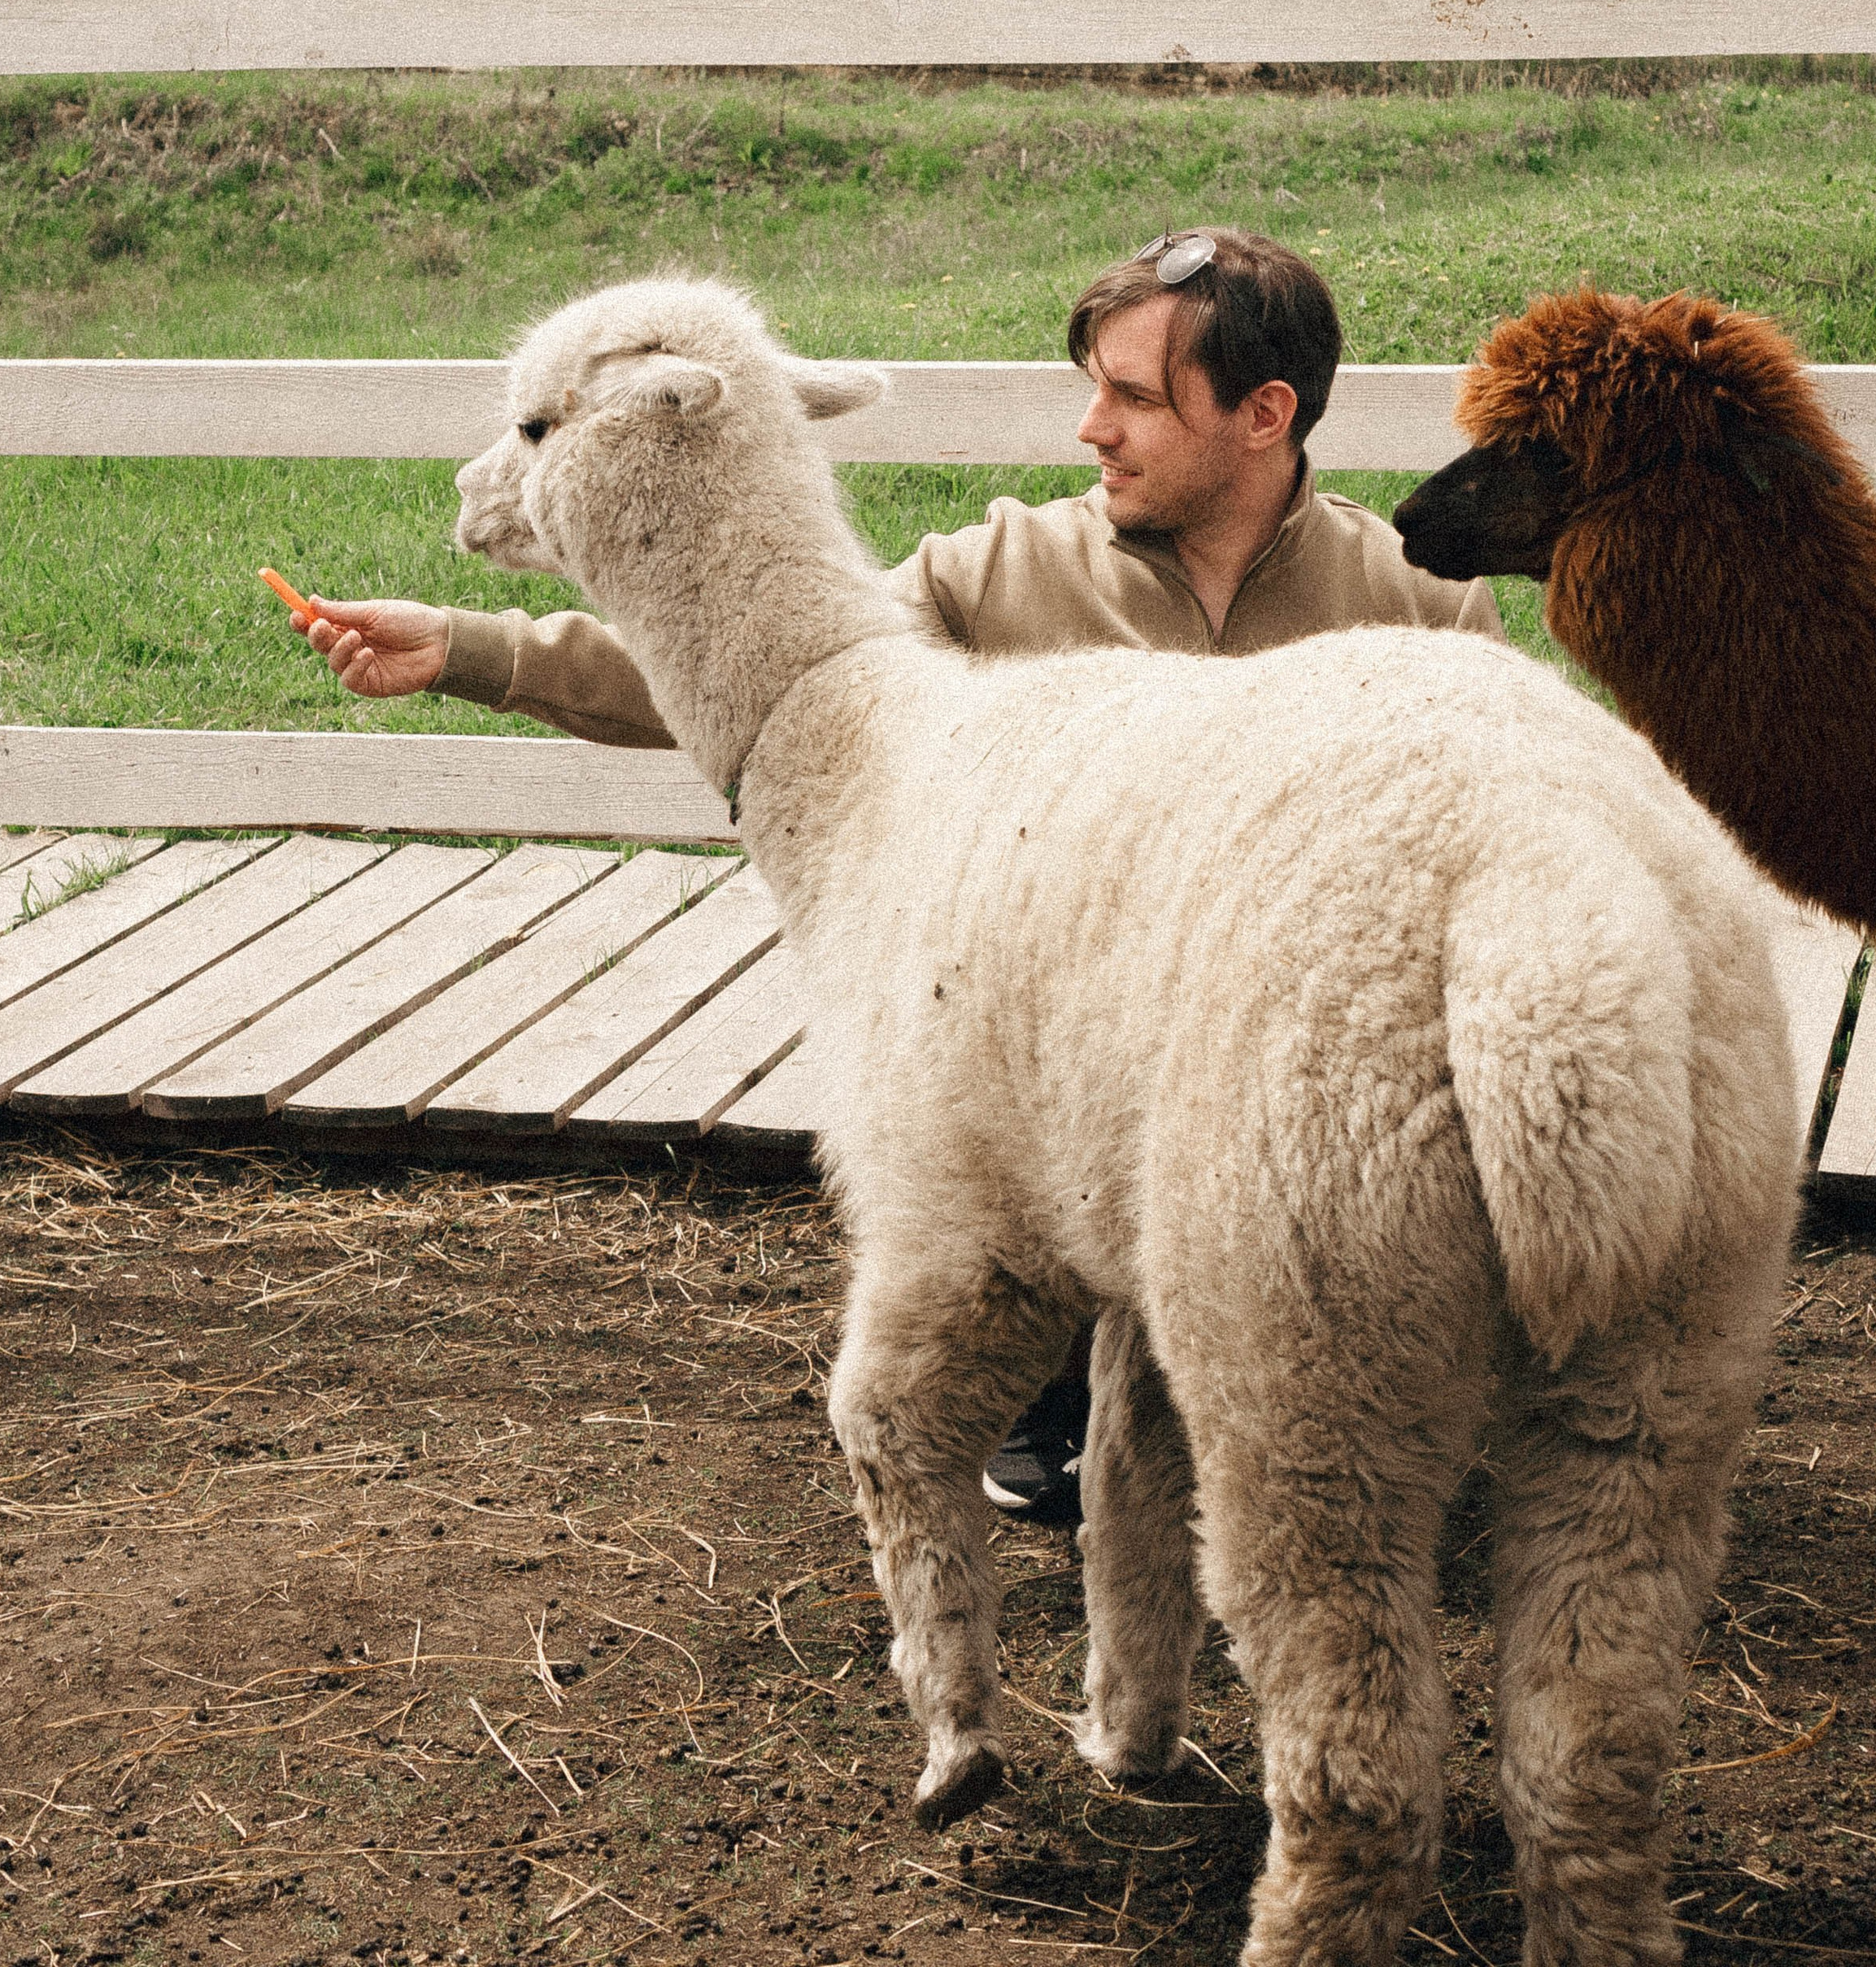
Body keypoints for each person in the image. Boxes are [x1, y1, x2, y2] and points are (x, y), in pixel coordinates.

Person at [299, 228, 1503, 1521]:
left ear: (1265, 415)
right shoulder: (1003, 573)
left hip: (1310, 1076)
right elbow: (758, 663)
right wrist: (473, 650)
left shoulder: (1414, 608)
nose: (1092, 428)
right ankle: (1057, 1384)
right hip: (1093, 1082)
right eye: (1093, 386)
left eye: (1136, 398)